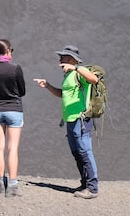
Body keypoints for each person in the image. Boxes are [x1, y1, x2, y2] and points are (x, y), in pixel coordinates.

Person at [34, 45, 100, 199]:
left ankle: (92, 188)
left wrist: (75, 68)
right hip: (70, 120)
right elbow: (63, 94)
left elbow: (94, 80)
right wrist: (48, 86)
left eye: (62, 57)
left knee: (85, 153)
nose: (59, 60)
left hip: (81, 119)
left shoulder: (80, 73)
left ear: (71, 59)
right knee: (76, 153)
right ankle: (85, 184)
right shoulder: (68, 75)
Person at [0, 39, 25, 197]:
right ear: (8, 51)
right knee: (12, 148)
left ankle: (2, 182)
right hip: (14, 109)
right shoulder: (15, 68)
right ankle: (13, 185)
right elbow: (22, 91)